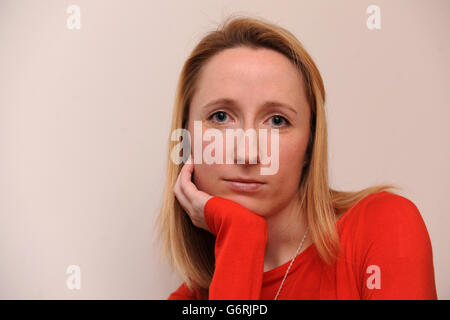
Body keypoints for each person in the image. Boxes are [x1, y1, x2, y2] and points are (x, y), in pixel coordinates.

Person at [155, 15, 437, 300]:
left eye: (277, 121)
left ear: (309, 147)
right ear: (186, 138)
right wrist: (240, 236)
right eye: (220, 117)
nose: (247, 154)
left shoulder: (382, 226)